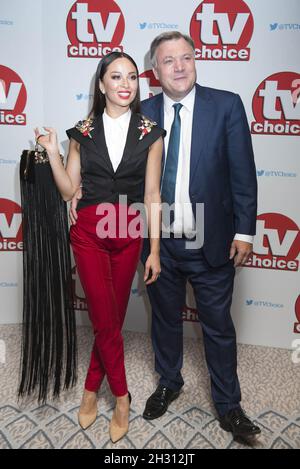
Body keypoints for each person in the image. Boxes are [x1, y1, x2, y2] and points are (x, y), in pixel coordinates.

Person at [70, 32, 261, 439]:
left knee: (217, 325)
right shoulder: (141, 111)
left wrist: (245, 231)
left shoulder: (226, 105)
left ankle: (229, 405)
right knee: (165, 321)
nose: (179, 66)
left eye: (186, 58)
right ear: (154, 72)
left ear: (195, 61)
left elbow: (243, 174)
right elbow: (112, 161)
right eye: (168, 61)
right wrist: (82, 187)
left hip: (209, 234)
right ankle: (169, 382)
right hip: (157, 240)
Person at [34, 51, 165, 443]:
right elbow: (68, 191)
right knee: (106, 320)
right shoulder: (82, 131)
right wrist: (54, 151)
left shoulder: (151, 132)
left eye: (131, 77)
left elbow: (154, 194)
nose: (125, 84)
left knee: (109, 319)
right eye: (116, 76)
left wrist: (154, 249)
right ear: (101, 84)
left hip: (128, 231)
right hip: (89, 233)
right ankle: (122, 397)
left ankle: (92, 388)